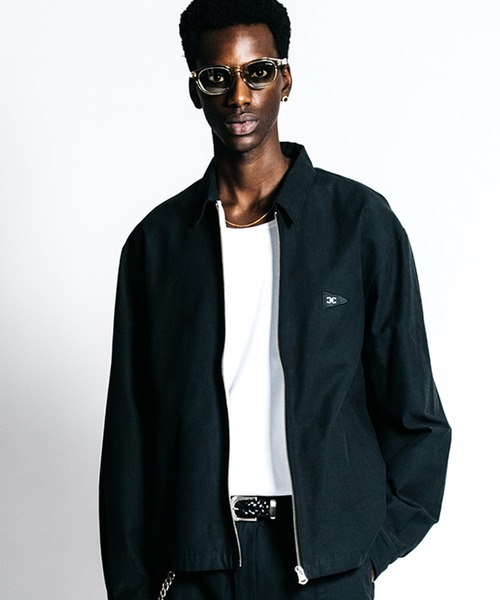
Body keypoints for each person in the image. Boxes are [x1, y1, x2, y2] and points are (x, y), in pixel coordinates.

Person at [99, 0, 451, 598]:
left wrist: (369, 553)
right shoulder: (156, 247)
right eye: (218, 77)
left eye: (257, 72)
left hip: (324, 568)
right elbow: (129, 441)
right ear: (196, 91)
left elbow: (415, 413)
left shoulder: (360, 225)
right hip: (197, 566)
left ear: (285, 80)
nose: (239, 96)